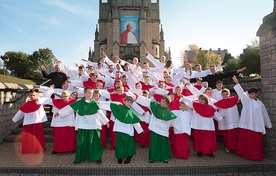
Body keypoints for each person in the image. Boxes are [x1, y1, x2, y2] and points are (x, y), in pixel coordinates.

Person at [57, 86, 109, 164]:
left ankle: (97, 157)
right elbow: (70, 108)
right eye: (88, 93)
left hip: (93, 126)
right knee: (81, 143)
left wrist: (106, 121)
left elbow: (99, 112)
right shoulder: (79, 102)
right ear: (84, 93)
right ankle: (79, 158)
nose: (90, 95)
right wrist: (59, 112)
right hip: (82, 125)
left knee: (95, 143)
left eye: (91, 93)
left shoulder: (94, 103)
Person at [232, 75, 272, 161]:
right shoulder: (246, 100)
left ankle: (255, 156)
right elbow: (241, 93)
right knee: (246, 141)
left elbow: (264, 114)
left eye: (253, 94)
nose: (251, 95)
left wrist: (267, 124)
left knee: (255, 142)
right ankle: (244, 153)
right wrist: (237, 82)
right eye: (250, 94)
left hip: (256, 125)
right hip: (246, 124)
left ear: (257, 94)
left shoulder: (260, 103)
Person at [136, 95, 181, 163]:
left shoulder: (169, 112)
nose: (163, 103)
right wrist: (137, 96)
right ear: (161, 100)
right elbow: (146, 101)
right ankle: (152, 157)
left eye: (166, 103)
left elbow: (174, 120)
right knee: (154, 144)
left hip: (163, 130)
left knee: (163, 145)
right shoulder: (155, 105)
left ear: (168, 104)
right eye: (163, 101)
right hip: (154, 129)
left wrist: (180, 129)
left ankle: (164, 157)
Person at [99, 96, 143, 164]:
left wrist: (140, 130)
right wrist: (99, 103)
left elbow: (135, 121)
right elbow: (110, 105)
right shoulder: (119, 107)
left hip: (128, 131)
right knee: (120, 145)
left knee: (129, 145)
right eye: (127, 102)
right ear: (124, 101)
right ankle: (120, 157)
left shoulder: (131, 112)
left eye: (130, 102)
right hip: (119, 129)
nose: (128, 103)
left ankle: (129, 156)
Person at [180, 91, 223, 158]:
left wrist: (221, 118)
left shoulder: (210, 107)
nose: (201, 101)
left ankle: (210, 151)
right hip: (199, 126)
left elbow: (217, 116)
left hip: (209, 126)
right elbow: (189, 101)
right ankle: (199, 151)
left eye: (202, 99)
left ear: (205, 100)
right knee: (199, 140)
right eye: (200, 99)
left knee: (209, 140)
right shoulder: (196, 105)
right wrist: (182, 97)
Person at [12, 90, 47, 154]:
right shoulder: (26, 104)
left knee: (38, 136)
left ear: (36, 95)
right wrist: (15, 119)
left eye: (33, 95)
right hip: (28, 122)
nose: (32, 96)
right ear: (28, 96)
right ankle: (29, 149)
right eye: (31, 95)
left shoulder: (39, 102)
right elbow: (20, 112)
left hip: (37, 121)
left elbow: (46, 97)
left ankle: (39, 148)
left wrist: (49, 90)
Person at [214, 88, 239, 153]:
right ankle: (228, 147)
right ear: (221, 95)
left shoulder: (234, 100)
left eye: (226, 94)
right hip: (226, 122)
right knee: (228, 136)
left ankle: (236, 147)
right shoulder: (220, 102)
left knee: (235, 135)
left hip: (234, 120)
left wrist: (237, 85)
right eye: (223, 94)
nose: (225, 96)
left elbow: (242, 95)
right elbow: (212, 108)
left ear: (229, 94)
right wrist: (220, 117)